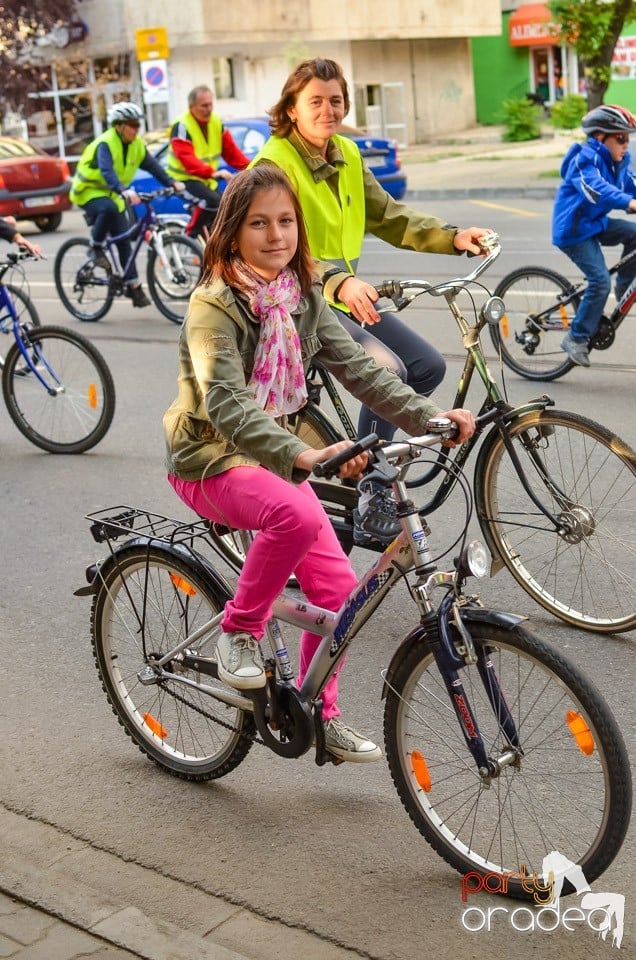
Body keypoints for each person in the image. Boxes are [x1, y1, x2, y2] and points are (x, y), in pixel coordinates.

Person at [163, 164, 476, 764]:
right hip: (207, 457)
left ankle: (319, 712)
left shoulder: (299, 295)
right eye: (259, 223)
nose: (275, 234)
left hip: (274, 454)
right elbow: (226, 403)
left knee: (338, 594)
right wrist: (304, 454)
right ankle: (239, 630)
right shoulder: (214, 306)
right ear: (232, 232)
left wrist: (431, 417)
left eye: (285, 221)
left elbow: (359, 370)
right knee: (297, 518)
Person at [251, 57, 492, 547]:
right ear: (292, 109)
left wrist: (453, 237)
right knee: (389, 370)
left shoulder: (345, 155)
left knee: (426, 365)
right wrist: (338, 282)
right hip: (290, 304)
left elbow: (390, 216)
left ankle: (371, 472)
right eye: (315, 101)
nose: (328, 109)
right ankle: (375, 489)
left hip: (337, 295)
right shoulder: (274, 166)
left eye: (336, 100)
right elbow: (276, 249)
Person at [69, 102, 184, 309]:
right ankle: (95, 248)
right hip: (88, 191)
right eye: (132, 125)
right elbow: (107, 172)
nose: (136, 129)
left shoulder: (136, 145)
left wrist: (171, 183)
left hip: (113, 193)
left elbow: (153, 166)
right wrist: (124, 190)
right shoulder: (106, 143)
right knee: (109, 209)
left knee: (124, 241)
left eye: (138, 125)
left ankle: (133, 284)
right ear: (119, 126)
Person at [552, 103, 636, 367]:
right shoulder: (583, 158)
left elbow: (630, 184)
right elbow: (594, 188)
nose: (626, 143)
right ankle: (576, 338)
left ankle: (625, 286)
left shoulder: (617, 161)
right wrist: (629, 203)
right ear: (600, 136)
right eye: (621, 137)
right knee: (600, 281)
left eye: (628, 138)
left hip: (595, 223)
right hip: (574, 231)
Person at [166, 85, 250, 240]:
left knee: (226, 207)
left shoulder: (216, 122)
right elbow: (186, 158)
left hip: (206, 180)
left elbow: (231, 151)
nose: (209, 109)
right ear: (191, 107)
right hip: (183, 179)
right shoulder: (182, 126)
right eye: (204, 105)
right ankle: (189, 237)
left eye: (211, 104)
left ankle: (213, 246)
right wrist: (212, 172)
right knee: (211, 201)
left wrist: (251, 167)